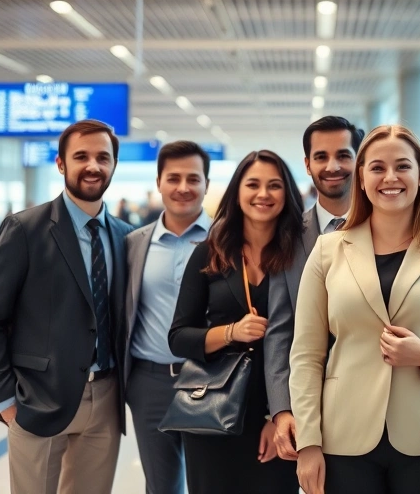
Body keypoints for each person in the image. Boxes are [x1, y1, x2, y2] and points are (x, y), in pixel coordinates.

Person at [290, 125, 420, 494]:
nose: (390, 178)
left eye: (403, 166)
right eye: (377, 168)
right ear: (361, 177)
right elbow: (306, 355)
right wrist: (308, 442)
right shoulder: (327, 251)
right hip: (344, 438)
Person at [0, 119, 133, 494]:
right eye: (81, 156)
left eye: (102, 157)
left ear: (113, 164)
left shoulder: (125, 236)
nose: (92, 165)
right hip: (38, 398)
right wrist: (7, 402)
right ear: (61, 164)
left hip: (106, 399)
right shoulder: (24, 229)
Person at [169, 150, 303, 494]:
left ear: (287, 193)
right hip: (214, 412)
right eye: (253, 184)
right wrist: (231, 332)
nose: (263, 194)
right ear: (237, 191)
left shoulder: (300, 255)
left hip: (280, 413)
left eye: (274, 185)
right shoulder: (210, 252)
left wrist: (278, 416)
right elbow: (179, 337)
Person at [266, 115, 364, 461]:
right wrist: (281, 410)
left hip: (375, 395)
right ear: (307, 165)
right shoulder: (288, 235)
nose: (332, 166)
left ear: (360, 158)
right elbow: (280, 329)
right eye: (321, 157)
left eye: (344, 155)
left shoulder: (388, 229)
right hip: (310, 398)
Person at [124, 142, 212, 494]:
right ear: (158, 182)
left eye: (193, 178)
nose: (183, 187)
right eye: (173, 178)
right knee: (161, 486)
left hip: (211, 379)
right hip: (151, 383)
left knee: (212, 481)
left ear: (207, 183)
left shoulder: (228, 241)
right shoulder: (133, 244)